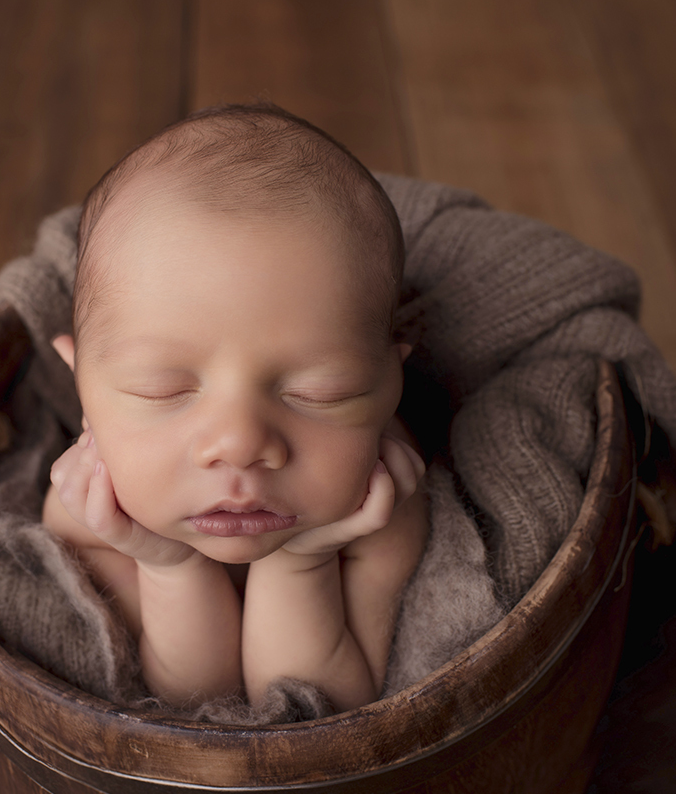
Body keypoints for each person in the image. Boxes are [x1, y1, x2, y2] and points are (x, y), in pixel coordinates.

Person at [42, 103, 428, 713]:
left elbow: (313, 713)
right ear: (80, 387)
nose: (240, 441)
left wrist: (305, 561)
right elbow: (194, 700)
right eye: (161, 390)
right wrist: (167, 567)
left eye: (319, 393)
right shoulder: (87, 514)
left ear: (392, 384)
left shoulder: (384, 511)